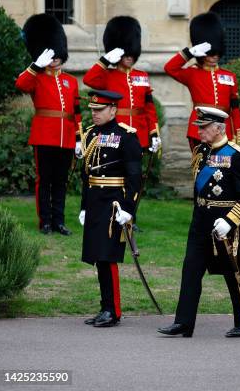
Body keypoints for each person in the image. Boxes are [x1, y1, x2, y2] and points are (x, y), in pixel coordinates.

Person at [158, 107, 240, 338]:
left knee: (235, 273)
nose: (200, 131)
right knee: (190, 269)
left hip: (226, 224)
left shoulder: (236, 155)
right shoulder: (201, 152)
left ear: (219, 128)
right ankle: (183, 322)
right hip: (201, 221)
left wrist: (230, 221)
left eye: (204, 127)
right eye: (199, 127)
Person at [79, 90, 142, 327]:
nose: (94, 114)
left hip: (115, 203)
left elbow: (135, 176)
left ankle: (113, 310)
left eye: (100, 110)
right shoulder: (90, 134)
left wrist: (129, 209)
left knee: (108, 256)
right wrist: (84, 206)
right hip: (95, 201)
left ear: (113, 110)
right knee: (98, 256)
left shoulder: (126, 136)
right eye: (93, 110)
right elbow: (86, 175)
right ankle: (104, 307)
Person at [15, 13, 81, 235]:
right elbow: (21, 84)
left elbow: (76, 112)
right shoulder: (37, 77)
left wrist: (79, 138)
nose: (54, 58)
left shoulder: (71, 81)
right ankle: (45, 221)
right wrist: (35, 65)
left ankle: (59, 221)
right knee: (44, 181)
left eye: (56, 53)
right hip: (44, 136)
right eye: (50, 53)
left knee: (61, 183)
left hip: (66, 137)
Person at [164, 12, 240, 151]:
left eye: (216, 53)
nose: (214, 57)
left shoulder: (229, 76)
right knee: (202, 170)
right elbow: (169, 68)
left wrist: (237, 132)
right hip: (200, 129)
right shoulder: (192, 73)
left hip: (224, 130)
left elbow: (234, 108)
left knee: (223, 170)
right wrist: (189, 53)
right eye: (210, 53)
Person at [83, 16, 161, 153]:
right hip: (114, 131)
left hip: (139, 131)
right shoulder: (107, 74)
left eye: (132, 54)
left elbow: (149, 108)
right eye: (126, 55)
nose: (130, 57)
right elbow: (88, 80)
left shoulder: (142, 76)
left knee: (135, 171)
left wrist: (154, 132)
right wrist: (105, 60)